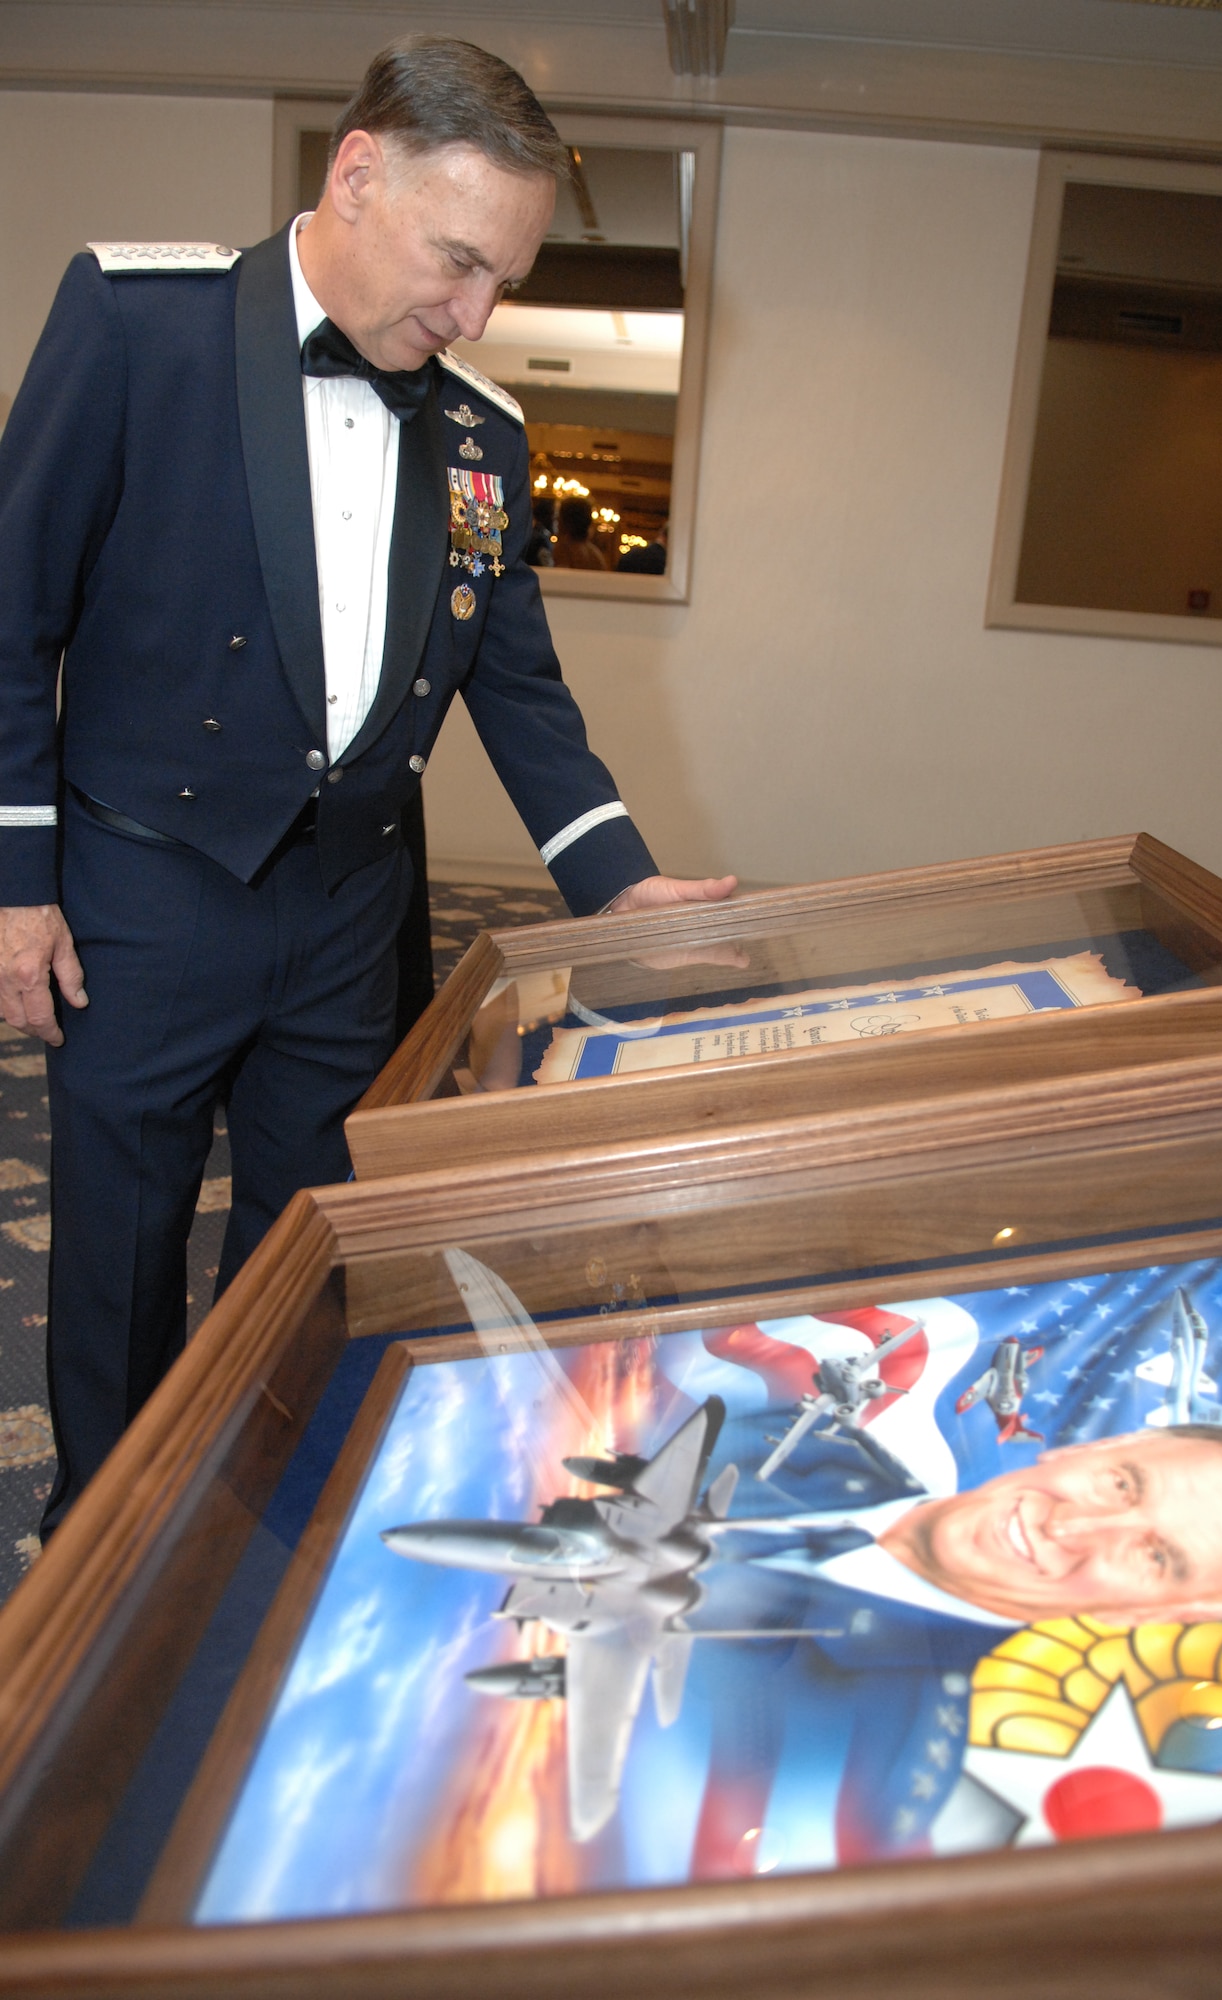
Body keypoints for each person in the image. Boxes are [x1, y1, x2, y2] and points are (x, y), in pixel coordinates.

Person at [0, 34, 736, 1534]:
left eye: (503, 283)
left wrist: (617, 884)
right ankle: (98, 1531)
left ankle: (253, 1520)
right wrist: (16, 884)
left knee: (309, 1250)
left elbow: (519, 693)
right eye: (458, 259)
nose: (474, 312)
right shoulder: (144, 326)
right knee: (117, 1257)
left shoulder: (482, 439)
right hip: (140, 896)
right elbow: (14, 616)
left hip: (349, 918)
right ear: (355, 172)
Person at [694, 1420, 1222, 1863]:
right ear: (1093, 1447)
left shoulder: (867, 1756)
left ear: (1159, 1616)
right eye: (1122, 1484)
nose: (1072, 1525)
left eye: (1155, 1556)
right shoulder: (798, 1434)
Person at [551, 495, 608, 569]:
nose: (557, 522)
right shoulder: (595, 553)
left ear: (566, 521)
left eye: (558, 517)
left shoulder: (564, 550)